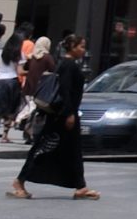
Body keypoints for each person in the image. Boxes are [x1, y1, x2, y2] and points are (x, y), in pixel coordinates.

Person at [9, 34, 98, 199]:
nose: (83, 50)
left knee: (72, 151)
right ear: (72, 47)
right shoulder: (69, 65)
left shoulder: (66, 64)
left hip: (65, 115)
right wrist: (69, 113)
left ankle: (81, 186)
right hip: (61, 117)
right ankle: (20, 181)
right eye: (81, 47)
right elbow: (65, 90)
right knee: (42, 147)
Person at [0, 28, 24, 143]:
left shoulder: (1, 51)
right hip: (12, 81)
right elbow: (20, 71)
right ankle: (5, 136)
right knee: (11, 110)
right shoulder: (19, 53)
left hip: (0, 81)